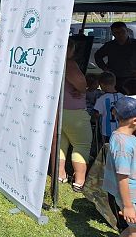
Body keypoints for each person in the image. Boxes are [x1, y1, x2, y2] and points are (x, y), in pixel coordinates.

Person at [59, 39, 92, 192]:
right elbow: (81, 84)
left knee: (61, 145)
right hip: (74, 111)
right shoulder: (69, 64)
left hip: (59, 109)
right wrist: (83, 88)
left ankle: (60, 175)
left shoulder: (53, 60)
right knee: (81, 145)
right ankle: (79, 181)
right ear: (70, 49)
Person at [102, 96, 136, 236]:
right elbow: (122, 177)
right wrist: (127, 206)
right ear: (134, 121)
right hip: (129, 194)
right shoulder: (123, 145)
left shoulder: (125, 137)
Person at [95, 22, 136, 92]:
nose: (120, 34)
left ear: (127, 31)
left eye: (122, 31)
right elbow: (97, 55)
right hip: (115, 79)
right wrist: (105, 68)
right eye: (116, 32)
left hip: (133, 78)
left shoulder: (134, 44)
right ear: (113, 34)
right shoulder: (110, 45)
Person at [94, 71, 125, 144]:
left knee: (108, 149)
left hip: (108, 131)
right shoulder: (123, 97)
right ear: (114, 83)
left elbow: (96, 114)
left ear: (101, 84)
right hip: (122, 130)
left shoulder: (102, 99)